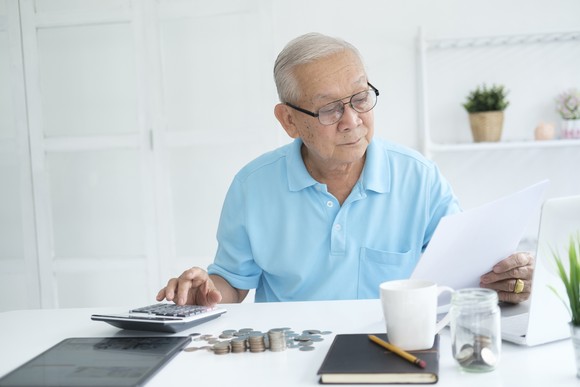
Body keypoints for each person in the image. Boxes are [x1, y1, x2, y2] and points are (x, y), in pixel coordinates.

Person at [156, 32, 534, 307]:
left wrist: (506, 280)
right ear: (288, 120)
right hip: (287, 352)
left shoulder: (420, 178)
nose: (351, 121)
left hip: (395, 347)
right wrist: (203, 293)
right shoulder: (252, 186)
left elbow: (463, 273)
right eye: (329, 109)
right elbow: (233, 284)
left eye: (360, 98)